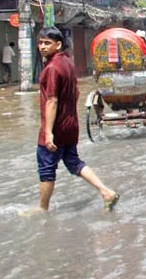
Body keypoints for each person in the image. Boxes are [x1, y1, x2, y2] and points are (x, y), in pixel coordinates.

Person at [22, 27, 118, 216]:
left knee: (46, 166)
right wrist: (68, 113)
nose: (42, 46)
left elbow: (51, 100)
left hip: (56, 128)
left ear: (57, 45)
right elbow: (77, 92)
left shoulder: (51, 68)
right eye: (40, 42)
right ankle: (106, 192)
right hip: (70, 125)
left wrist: (49, 132)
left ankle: (42, 208)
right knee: (73, 162)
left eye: (46, 43)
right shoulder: (66, 63)